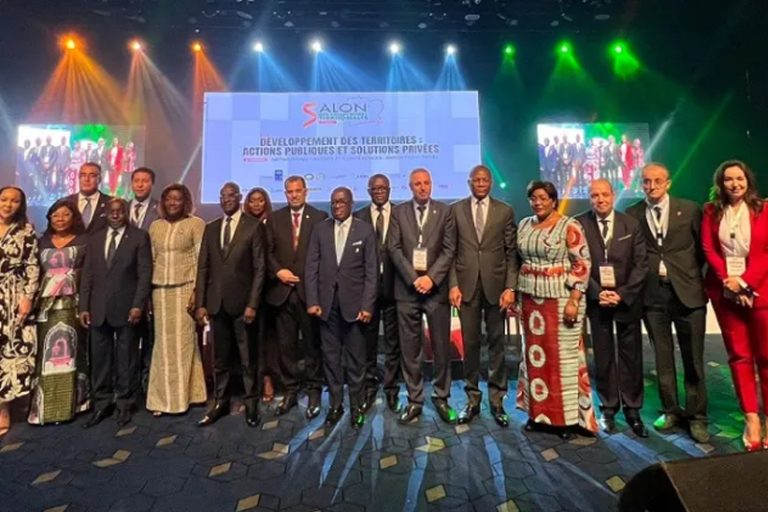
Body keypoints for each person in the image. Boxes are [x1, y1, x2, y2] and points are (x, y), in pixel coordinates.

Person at [626, 163, 709, 443]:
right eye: (646, 181)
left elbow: (702, 250)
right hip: (652, 296)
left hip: (687, 293)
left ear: (668, 183)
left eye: (657, 181)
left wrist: (690, 276)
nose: (652, 186)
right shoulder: (633, 213)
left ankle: (697, 416)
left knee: (693, 358)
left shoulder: (690, 209)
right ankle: (671, 410)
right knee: (662, 357)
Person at [515, 180, 597, 438]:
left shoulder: (569, 225)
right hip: (530, 302)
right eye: (533, 198)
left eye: (543, 198)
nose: (537, 202)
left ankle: (566, 420)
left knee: (563, 360)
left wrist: (574, 300)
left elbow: (582, 263)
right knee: (535, 358)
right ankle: (538, 414)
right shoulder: (524, 224)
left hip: (561, 301)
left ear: (553, 200)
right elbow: (518, 261)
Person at [701, 160, 768, 451]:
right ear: (721, 183)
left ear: (747, 180)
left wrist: (745, 282)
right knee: (739, 356)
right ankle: (751, 419)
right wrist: (729, 282)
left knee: (766, 357)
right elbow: (709, 248)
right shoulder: (711, 211)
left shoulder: (764, 209)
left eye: (739, 178)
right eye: (728, 179)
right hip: (725, 293)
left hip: (761, 291)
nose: (734, 184)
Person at [576, 179, 648, 437]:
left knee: (631, 355)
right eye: (595, 195)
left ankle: (633, 409)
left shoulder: (630, 223)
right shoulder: (579, 224)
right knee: (603, 356)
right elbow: (578, 263)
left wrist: (622, 294)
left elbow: (641, 264)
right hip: (597, 300)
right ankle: (608, 407)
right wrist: (597, 293)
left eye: (605, 194)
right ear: (589, 198)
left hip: (626, 300)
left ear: (613, 195)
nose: (600, 200)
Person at [449, 165, 518, 427]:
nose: (480, 184)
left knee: (497, 345)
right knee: (470, 345)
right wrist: (453, 285)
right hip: (466, 287)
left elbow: (511, 252)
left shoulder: (505, 210)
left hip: (496, 288)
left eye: (485, 180)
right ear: (469, 183)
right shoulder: (455, 210)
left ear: (490, 183)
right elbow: (450, 251)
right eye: (476, 180)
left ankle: (497, 401)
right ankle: (472, 399)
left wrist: (510, 287)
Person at [387, 168, 457, 425]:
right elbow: (393, 248)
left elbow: (449, 249)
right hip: (407, 290)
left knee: (441, 347)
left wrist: (431, 278)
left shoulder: (445, 211)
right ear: (410, 187)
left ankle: (442, 397)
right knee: (410, 349)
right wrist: (413, 278)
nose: (423, 187)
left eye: (426, 182)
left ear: (432, 184)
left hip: (435, 290)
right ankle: (415, 400)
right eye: (417, 183)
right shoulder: (398, 212)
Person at [306, 187, 377, 429]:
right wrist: (313, 301)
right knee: (331, 359)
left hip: (355, 308)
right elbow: (311, 268)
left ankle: (357, 407)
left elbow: (371, 272)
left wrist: (367, 305)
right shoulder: (320, 229)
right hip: (326, 308)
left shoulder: (364, 230)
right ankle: (335, 406)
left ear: (351, 204)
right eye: (334, 202)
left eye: (341, 202)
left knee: (356, 362)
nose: (337, 206)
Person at [196, 183, 265, 428]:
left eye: (230, 196)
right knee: (220, 360)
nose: (226, 200)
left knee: (248, 360)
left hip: (244, 306)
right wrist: (201, 303)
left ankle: (252, 403)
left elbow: (260, 269)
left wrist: (253, 304)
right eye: (222, 196)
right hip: (217, 305)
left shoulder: (253, 226)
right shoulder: (211, 228)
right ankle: (220, 402)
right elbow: (203, 267)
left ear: (239, 197)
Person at [79, 199, 152, 428]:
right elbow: (87, 275)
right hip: (98, 308)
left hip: (127, 308)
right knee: (100, 360)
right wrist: (83, 306)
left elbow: (144, 275)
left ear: (126, 212)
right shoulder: (94, 238)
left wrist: (138, 305)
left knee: (126, 359)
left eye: (120, 211)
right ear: (106, 213)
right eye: (112, 211)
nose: (116, 214)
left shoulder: (139, 237)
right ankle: (102, 404)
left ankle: (124, 403)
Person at [264, 176, 328, 419]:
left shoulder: (319, 217)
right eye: (289, 191)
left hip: (309, 293)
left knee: (312, 345)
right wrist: (278, 271)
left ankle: (314, 390)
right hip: (282, 293)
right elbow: (267, 252)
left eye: (297, 191)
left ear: (306, 192)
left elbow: (324, 254)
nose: (293, 195)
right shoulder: (275, 218)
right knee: (286, 346)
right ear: (285, 194)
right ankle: (290, 390)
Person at [146, 184, 207, 415]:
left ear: (186, 202)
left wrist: (197, 292)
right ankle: (161, 401)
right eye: (168, 199)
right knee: (162, 345)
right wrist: (147, 294)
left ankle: (186, 397)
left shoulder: (196, 224)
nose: (173, 203)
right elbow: (151, 260)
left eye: (177, 199)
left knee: (184, 344)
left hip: (186, 289)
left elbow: (202, 261)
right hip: (160, 291)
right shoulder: (155, 226)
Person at [27, 200, 89, 425]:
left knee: (72, 352)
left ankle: (73, 405)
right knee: (46, 355)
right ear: (49, 218)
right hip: (45, 307)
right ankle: (44, 409)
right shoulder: (41, 241)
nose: (60, 219)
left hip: (73, 305)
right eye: (55, 215)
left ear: (74, 218)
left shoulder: (85, 240)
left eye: (65, 215)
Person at [353, 174, 403, 414]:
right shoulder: (358, 216)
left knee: (394, 342)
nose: (379, 191)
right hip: (367, 290)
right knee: (367, 341)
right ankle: (369, 386)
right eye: (375, 188)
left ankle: (391, 388)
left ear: (390, 189)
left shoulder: (401, 214)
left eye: (383, 188)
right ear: (369, 191)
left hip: (395, 286)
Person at [0, 186, 40, 436]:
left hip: (12, 298)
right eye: (4, 199)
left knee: (8, 353)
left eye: (14, 201)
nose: (8, 204)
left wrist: (27, 298)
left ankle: (3, 408)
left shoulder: (26, 231)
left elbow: (32, 266)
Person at [243, 187, 278, 403]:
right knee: (248, 341)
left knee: (267, 340)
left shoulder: (272, 223)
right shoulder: (243, 225)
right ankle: (251, 384)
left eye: (261, 200)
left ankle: (268, 379)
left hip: (269, 290)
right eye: (252, 201)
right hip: (247, 291)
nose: (256, 204)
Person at [128, 167, 160, 394]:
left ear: (152, 184)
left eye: (145, 181)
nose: (140, 185)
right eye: (136, 181)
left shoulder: (161, 209)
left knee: (151, 337)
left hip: (153, 279)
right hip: (124, 282)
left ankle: (149, 387)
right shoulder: (120, 209)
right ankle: (128, 387)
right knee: (127, 340)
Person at [65, 162, 113, 235]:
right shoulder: (66, 202)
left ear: (99, 179)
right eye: (83, 175)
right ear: (79, 178)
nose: (86, 179)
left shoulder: (110, 203)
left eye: (92, 176)